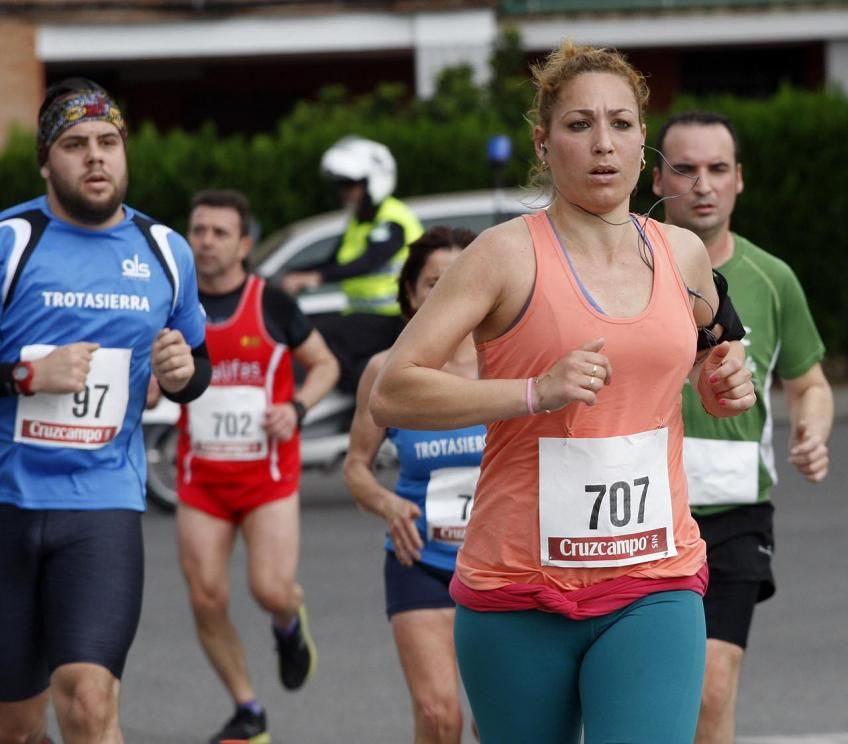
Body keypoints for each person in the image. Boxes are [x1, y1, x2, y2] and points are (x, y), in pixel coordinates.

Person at [369, 42, 756, 742]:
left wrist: (725, 381)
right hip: (516, 587)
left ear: (645, 143)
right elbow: (394, 391)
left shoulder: (682, 254)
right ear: (544, 145)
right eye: (579, 126)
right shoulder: (504, 255)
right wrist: (532, 392)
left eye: (622, 123)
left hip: (654, 575)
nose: (603, 144)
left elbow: (714, 353)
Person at [0, 77, 210, 744]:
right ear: (45, 161)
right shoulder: (10, 243)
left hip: (102, 505)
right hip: (6, 506)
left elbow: (194, 368)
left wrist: (182, 376)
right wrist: (26, 375)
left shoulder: (165, 253)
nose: (95, 156)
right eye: (75, 144)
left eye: (108, 142)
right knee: (17, 725)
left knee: (89, 701)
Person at [652, 110, 834, 744]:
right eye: (686, 168)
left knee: (713, 687)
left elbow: (808, 381)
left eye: (717, 169)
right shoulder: (620, 266)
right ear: (657, 179)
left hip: (734, 510)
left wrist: (810, 430)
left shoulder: (771, 278)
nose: (703, 184)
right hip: (639, 509)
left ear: (738, 181)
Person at [174, 189, 338, 743]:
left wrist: (296, 409)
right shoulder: (176, 302)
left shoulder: (271, 302)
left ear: (244, 243)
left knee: (270, 588)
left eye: (220, 232)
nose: (206, 241)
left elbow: (325, 365)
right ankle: (248, 708)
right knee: (205, 597)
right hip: (202, 481)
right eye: (198, 230)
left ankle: (288, 624)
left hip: (267, 479)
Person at [344, 226, 480, 744]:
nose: (447, 294)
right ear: (410, 295)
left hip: (503, 566)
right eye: (433, 283)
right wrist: (388, 505)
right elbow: (356, 465)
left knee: (494, 724)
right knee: (438, 715)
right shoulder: (387, 371)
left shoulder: (512, 366)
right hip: (421, 560)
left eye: (460, 280)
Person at [280, 136, 424, 394]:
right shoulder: (359, 222)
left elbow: (367, 262)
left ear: (374, 182)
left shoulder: (392, 220)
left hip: (394, 317)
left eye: (350, 184)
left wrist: (316, 278)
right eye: (341, 185)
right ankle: (366, 396)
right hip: (364, 315)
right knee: (318, 333)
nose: (344, 192)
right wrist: (293, 273)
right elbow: (333, 262)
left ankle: (371, 398)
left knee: (319, 335)